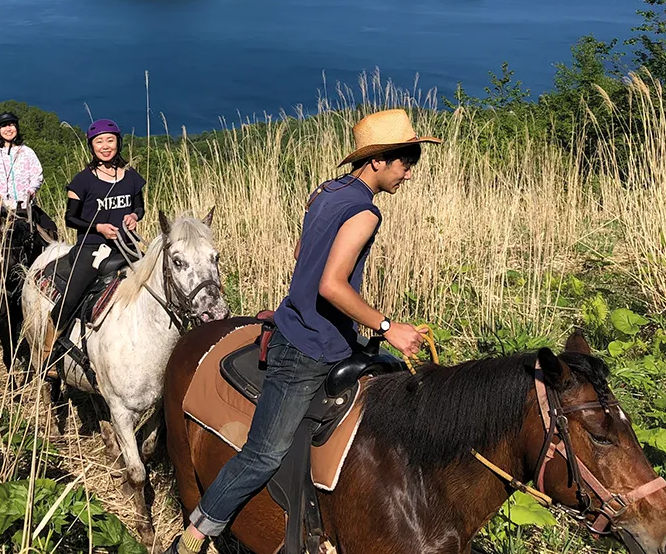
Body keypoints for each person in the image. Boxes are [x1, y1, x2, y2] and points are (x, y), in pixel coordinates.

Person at [165, 108, 439, 554]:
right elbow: (332, 284)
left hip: (324, 333)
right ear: (377, 161)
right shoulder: (366, 212)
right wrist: (388, 327)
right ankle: (194, 536)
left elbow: (301, 249)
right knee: (262, 454)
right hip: (308, 347)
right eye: (405, 161)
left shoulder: (326, 191)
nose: (408, 173)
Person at [44, 118, 145, 376]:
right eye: (99, 142)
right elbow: (70, 218)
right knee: (70, 298)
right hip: (93, 247)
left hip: (126, 244)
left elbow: (139, 207)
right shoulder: (82, 181)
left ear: (118, 143)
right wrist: (98, 227)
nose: (105, 146)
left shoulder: (131, 177)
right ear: (92, 147)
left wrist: (134, 217)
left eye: (110, 140)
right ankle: (48, 353)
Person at [0, 111, 57, 290]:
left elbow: (37, 174)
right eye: (4, 126)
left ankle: (50, 275)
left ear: (17, 128)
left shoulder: (27, 152)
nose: (8, 129)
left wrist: (31, 190)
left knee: (51, 230)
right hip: (0, 208)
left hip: (25, 207)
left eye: (11, 125)